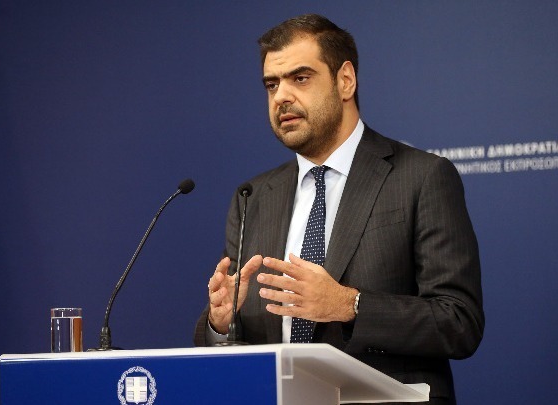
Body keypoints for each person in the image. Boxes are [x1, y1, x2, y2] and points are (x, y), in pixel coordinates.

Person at [194, 14, 484, 405]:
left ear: (345, 80)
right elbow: (222, 344)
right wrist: (220, 323)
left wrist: (349, 305)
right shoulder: (253, 196)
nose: (281, 97)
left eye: (300, 78)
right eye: (271, 84)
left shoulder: (421, 176)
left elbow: (459, 322)